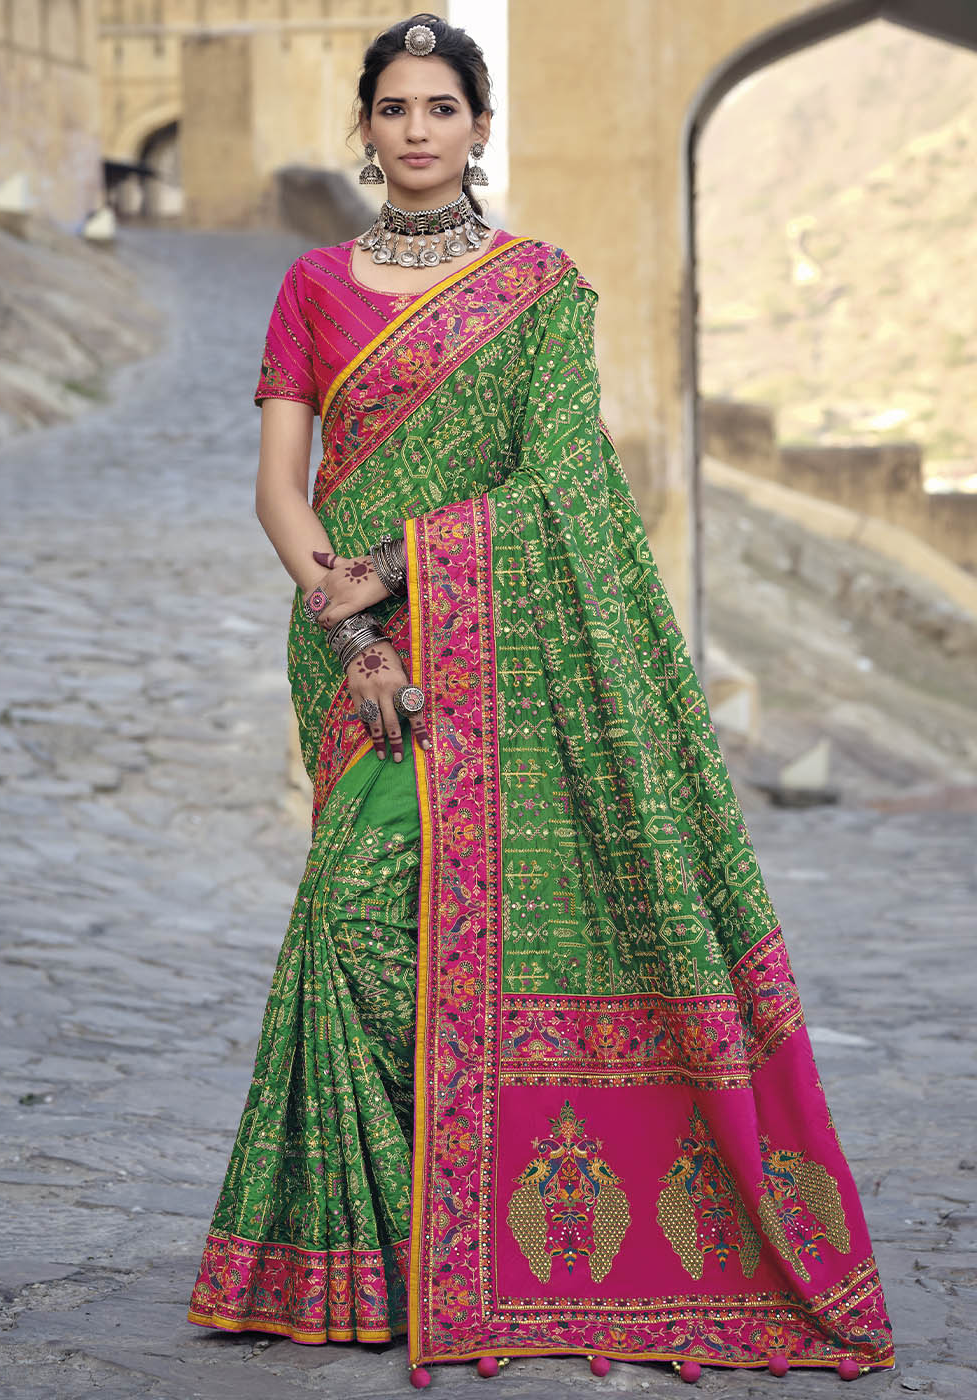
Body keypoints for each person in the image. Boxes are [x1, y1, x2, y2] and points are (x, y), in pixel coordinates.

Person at [186, 12, 895, 1387]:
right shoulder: (315, 286)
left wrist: (408, 572)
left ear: (479, 128)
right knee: (351, 920)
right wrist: (353, 628)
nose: (415, 132)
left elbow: (568, 493)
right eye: (392, 108)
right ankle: (366, 1260)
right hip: (351, 651)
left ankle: (458, 1252)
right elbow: (282, 486)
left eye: (441, 107)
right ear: (365, 126)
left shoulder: (537, 289)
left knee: (413, 924)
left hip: (489, 647)